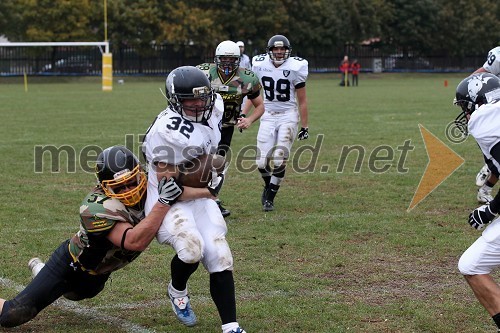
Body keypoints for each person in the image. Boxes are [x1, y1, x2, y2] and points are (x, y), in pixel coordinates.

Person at [0, 145, 183, 328]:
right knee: (13, 314)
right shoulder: (96, 207)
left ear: (140, 173)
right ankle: (46, 274)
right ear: (105, 188)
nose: (129, 190)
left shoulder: (152, 188)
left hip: (96, 278)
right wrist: (163, 202)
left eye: (132, 182)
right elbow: (134, 241)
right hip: (70, 267)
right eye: (119, 187)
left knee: (75, 295)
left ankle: (41, 272)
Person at [142, 66, 246, 333]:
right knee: (191, 249)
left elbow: (209, 153)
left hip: (198, 190)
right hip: (168, 197)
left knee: (220, 254)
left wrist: (214, 169)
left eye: (203, 97)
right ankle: (177, 289)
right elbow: (171, 187)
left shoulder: (215, 108)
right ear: (175, 100)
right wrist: (209, 191)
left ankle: (231, 327)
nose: (200, 104)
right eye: (191, 99)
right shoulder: (166, 132)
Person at [197, 40, 264, 217]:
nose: (227, 62)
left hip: (226, 127)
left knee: (218, 165)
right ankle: (202, 199)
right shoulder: (203, 74)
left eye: (231, 59)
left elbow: (260, 106)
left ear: (238, 59)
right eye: (223, 58)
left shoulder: (247, 78)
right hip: (203, 125)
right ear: (216, 58)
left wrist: (249, 119)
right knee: (199, 163)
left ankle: (211, 199)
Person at [455, 73, 500, 332]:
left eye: (465, 107)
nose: (466, 114)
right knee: (471, 264)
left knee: (471, 265)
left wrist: (491, 210)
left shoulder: (486, 120)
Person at [244, 34, 309, 212]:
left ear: (288, 51)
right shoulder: (259, 64)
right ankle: (269, 184)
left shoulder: (296, 67)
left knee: (280, 158)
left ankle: (270, 197)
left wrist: (305, 126)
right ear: (270, 50)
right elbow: (253, 94)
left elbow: (302, 100)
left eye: (282, 49)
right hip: (267, 114)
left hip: (288, 115)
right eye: (276, 49)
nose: (279, 52)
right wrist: (244, 114)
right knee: (261, 162)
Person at [472, 46, 500, 204]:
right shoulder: (498, 56)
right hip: (494, 111)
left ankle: (488, 170)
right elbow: (477, 76)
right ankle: (489, 167)